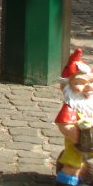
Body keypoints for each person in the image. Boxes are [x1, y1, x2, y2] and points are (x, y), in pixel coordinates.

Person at [55, 48, 93, 185]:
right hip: (77, 146)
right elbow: (64, 125)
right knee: (72, 166)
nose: (88, 87)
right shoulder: (71, 108)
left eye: (91, 82)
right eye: (80, 83)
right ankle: (67, 182)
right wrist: (77, 137)